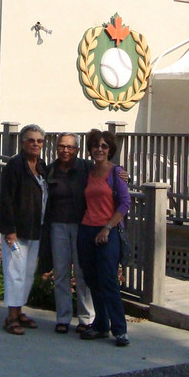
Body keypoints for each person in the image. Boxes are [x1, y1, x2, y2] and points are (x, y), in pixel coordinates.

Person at [77, 128, 132, 347]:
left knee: (108, 280)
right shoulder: (88, 172)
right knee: (92, 279)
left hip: (108, 232)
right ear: (90, 149)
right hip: (86, 230)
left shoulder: (116, 173)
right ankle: (100, 324)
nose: (99, 149)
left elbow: (125, 204)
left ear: (110, 150)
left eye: (104, 146)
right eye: (95, 145)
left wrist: (107, 227)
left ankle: (120, 329)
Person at [0, 124, 48, 335]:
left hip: (36, 229)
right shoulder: (15, 166)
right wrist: (9, 230)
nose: (35, 144)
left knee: (27, 274)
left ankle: (19, 312)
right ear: (22, 142)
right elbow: (5, 200)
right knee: (14, 273)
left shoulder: (42, 166)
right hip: (17, 231)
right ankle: (11, 317)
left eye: (39, 141)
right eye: (31, 140)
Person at [44, 132, 96, 334]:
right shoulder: (50, 170)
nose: (65, 150)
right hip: (57, 225)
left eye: (70, 147)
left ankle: (86, 319)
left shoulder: (86, 169)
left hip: (82, 225)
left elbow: (106, 176)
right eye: (61, 146)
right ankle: (63, 318)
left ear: (77, 150)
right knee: (61, 273)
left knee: (82, 273)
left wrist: (121, 175)